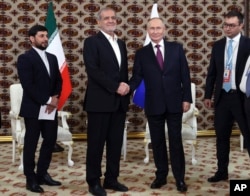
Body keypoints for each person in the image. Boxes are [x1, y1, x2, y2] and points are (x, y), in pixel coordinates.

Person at [129, 17, 192, 192]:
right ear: (147, 31)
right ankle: (161, 176)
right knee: (157, 142)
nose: (155, 31)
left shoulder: (176, 49)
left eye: (158, 28)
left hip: (175, 104)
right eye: (152, 28)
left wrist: (186, 98)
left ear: (164, 29)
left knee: (175, 142)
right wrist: (127, 87)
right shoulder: (142, 53)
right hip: (153, 104)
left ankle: (180, 178)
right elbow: (137, 77)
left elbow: (185, 76)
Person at [83, 7, 130, 196]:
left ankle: (111, 179)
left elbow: (123, 72)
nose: (111, 20)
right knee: (95, 144)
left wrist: (126, 86)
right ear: (99, 22)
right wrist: (115, 86)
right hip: (99, 102)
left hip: (119, 103)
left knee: (115, 143)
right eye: (106, 18)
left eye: (113, 18)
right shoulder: (92, 42)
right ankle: (93, 182)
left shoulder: (122, 44)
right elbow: (93, 70)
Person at [204, 10, 250, 183]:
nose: (227, 28)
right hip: (222, 98)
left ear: (241, 25)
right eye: (225, 25)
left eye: (231, 25)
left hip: (242, 98)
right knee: (221, 136)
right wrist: (208, 94)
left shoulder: (248, 45)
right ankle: (222, 171)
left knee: (249, 134)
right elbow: (212, 73)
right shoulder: (218, 45)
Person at [17, 25, 62, 193]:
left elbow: (59, 80)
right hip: (33, 108)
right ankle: (30, 178)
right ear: (31, 38)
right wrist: (48, 100)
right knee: (31, 143)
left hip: (50, 109)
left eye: (46, 36)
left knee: (50, 141)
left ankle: (42, 174)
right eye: (41, 36)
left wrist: (55, 98)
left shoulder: (52, 57)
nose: (45, 39)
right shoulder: (25, 58)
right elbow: (28, 85)